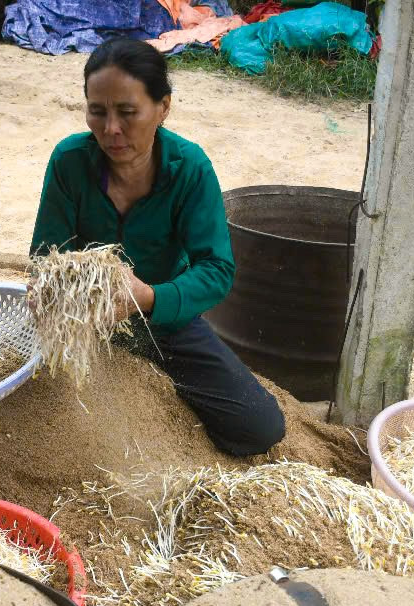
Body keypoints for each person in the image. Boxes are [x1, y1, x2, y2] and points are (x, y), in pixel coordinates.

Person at [30, 37, 285, 457]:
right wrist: (48, 292)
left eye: (128, 112)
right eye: (98, 111)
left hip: (163, 317)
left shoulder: (189, 168)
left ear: (163, 107)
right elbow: (46, 255)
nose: (111, 129)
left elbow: (217, 268)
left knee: (259, 427)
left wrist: (149, 297)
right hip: (83, 323)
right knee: (48, 420)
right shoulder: (69, 161)